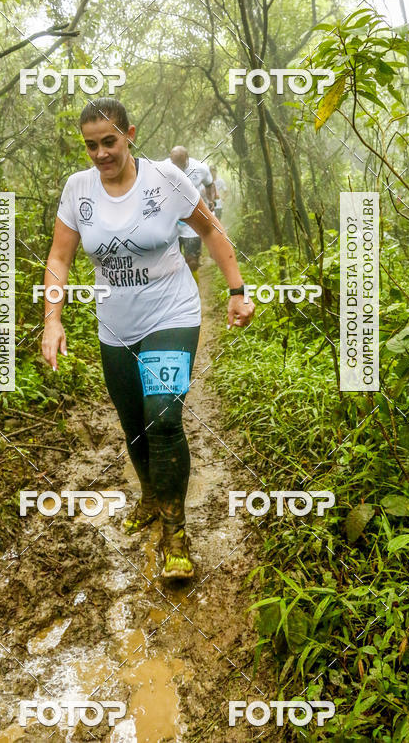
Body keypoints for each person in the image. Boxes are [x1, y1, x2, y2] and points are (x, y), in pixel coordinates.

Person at [41, 98, 254, 580]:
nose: (100, 154)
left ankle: (175, 534)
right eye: (91, 145)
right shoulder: (78, 190)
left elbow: (212, 230)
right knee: (134, 419)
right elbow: (59, 257)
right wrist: (52, 319)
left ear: (129, 134)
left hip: (172, 312)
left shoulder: (165, 179)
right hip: (115, 324)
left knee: (162, 417)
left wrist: (237, 290)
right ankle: (151, 495)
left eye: (109, 141)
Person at [166, 146, 215, 284]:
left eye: (180, 165)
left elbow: (210, 185)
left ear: (187, 159)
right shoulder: (164, 167)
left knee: (191, 262)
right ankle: (176, 290)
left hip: (192, 223)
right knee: (170, 264)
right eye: (174, 164)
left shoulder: (200, 168)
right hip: (172, 222)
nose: (177, 168)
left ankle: (193, 290)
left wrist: (211, 201)